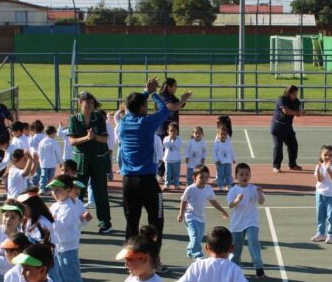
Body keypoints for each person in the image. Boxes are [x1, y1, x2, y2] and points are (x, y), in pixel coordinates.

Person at [119, 79, 171, 252]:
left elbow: (129, 107)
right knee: (156, 220)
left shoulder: (123, 123)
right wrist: (153, 93)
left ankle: (130, 256)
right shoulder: (147, 123)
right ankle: (153, 257)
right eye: (145, 105)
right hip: (147, 181)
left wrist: (145, 92)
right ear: (141, 108)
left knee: (131, 221)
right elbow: (164, 109)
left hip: (128, 181)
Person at [66, 91, 114, 233]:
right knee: (77, 192)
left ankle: (105, 222)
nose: (90, 106)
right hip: (81, 161)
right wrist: (86, 138)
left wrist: (93, 137)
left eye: (92, 103)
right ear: (80, 104)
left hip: (98, 161)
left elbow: (104, 139)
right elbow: (72, 141)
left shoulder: (98, 118)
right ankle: (73, 219)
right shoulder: (74, 119)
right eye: (87, 103)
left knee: (101, 193)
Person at [178, 166, 228, 260]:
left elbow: (213, 201)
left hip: (201, 218)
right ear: (194, 178)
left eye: (206, 177)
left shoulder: (208, 188)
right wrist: (181, 214)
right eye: (201, 177)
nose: (204, 179)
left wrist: (222, 210)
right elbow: (183, 201)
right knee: (195, 236)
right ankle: (198, 255)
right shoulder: (190, 189)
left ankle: (190, 250)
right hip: (190, 216)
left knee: (198, 238)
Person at [227, 163, 266, 278]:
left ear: (250, 176)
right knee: (236, 248)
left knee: (253, 242)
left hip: (251, 222)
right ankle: (233, 268)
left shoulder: (254, 189)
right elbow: (230, 205)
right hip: (237, 223)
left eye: (247, 174)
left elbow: (261, 202)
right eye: (241, 174)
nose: (244, 176)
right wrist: (237, 200)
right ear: (236, 176)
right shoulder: (233, 190)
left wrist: (260, 194)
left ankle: (259, 268)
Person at [271, 85, 304, 173]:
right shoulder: (281, 99)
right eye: (294, 94)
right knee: (278, 147)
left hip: (288, 127)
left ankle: (292, 165)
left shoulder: (296, 101)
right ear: (289, 93)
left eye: (297, 94)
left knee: (293, 145)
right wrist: (297, 112)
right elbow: (285, 111)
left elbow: (299, 111)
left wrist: (300, 112)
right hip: (277, 127)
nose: (295, 96)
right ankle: (276, 167)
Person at [313, 145, 332, 244]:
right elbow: (320, 180)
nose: (328, 157)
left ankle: (331, 235)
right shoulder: (319, 166)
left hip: (331, 196)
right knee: (320, 216)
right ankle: (321, 234)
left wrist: (329, 170)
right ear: (321, 156)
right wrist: (318, 170)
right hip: (320, 194)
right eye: (325, 155)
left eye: (330, 155)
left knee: (330, 217)